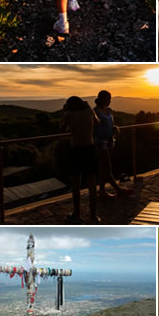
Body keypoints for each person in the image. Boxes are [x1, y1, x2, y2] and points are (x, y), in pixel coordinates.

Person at [59, 94, 100, 222]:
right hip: (90, 148)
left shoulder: (68, 114)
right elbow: (97, 123)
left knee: (76, 185)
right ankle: (93, 216)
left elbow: (61, 130)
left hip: (76, 150)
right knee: (92, 185)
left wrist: (64, 112)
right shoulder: (89, 111)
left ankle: (77, 215)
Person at [93, 90, 130, 200]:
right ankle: (118, 190)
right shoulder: (95, 111)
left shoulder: (109, 110)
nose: (110, 101)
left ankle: (102, 191)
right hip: (100, 142)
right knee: (107, 167)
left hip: (110, 141)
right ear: (102, 99)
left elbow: (110, 124)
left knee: (102, 167)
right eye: (108, 98)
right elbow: (94, 128)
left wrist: (115, 127)